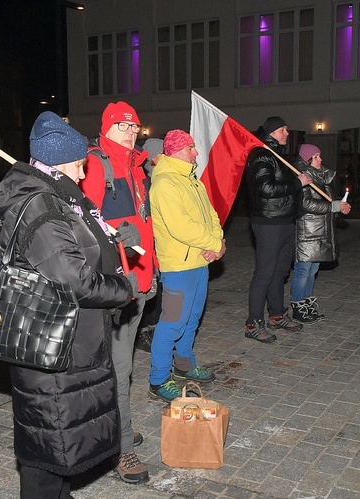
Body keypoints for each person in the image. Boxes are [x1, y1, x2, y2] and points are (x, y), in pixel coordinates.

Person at [0, 112, 138, 499]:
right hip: (50, 344)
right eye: (77, 159)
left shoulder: (58, 197)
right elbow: (72, 278)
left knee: (59, 442)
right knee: (46, 447)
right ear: (59, 160)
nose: (83, 165)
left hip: (67, 341)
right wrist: (122, 288)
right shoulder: (41, 206)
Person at [79, 101, 154, 484]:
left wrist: (152, 272)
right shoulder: (97, 164)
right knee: (119, 368)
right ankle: (122, 449)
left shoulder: (137, 167)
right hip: (115, 288)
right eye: (122, 125)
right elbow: (82, 222)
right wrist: (111, 236)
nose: (130, 130)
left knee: (120, 369)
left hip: (139, 282)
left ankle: (117, 426)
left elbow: (143, 223)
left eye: (134, 125)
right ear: (107, 127)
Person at [147, 129, 225, 402]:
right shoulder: (166, 183)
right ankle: (157, 379)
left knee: (191, 320)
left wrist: (218, 241)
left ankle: (184, 367)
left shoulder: (193, 181)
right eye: (191, 147)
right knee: (172, 323)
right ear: (177, 151)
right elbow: (181, 227)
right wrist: (213, 243)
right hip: (178, 266)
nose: (196, 152)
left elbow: (210, 215)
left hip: (199, 262)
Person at [244, 116, 313, 341]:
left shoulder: (278, 155)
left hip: (284, 221)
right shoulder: (261, 154)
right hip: (268, 222)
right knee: (265, 273)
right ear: (272, 132)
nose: (287, 133)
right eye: (283, 129)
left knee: (280, 272)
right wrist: (297, 183)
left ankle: (276, 314)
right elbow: (265, 187)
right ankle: (253, 323)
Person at [290, 144, 351, 323]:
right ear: (308, 159)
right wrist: (333, 206)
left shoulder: (320, 178)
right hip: (306, 230)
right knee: (303, 270)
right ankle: (298, 305)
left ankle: (307, 302)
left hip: (321, 229)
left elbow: (326, 201)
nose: (321, 159)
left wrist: (339, 206)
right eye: (316, 156)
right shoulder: (303, 177)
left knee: (313, 269)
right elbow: (305, 203)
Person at [135, 137, 165, 352]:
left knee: (159, 289)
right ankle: (143, 330)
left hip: (161, 244)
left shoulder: (163, 179)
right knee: (148, 287)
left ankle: (154, 326)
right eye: (161, 154)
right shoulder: (144, 181)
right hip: (146, 244)